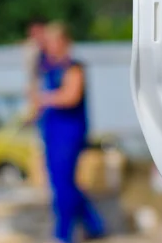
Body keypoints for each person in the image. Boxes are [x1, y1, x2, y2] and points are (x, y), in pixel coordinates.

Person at [31, 22, 105, 243]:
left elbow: (71, 96)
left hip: (69, 131)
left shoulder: (74, 68)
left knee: (63, 183)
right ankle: (94, 224)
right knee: (59, 181)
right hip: (52, 129)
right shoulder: (45, 67)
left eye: (55, 41)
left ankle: (63, 233)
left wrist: (45, 99)